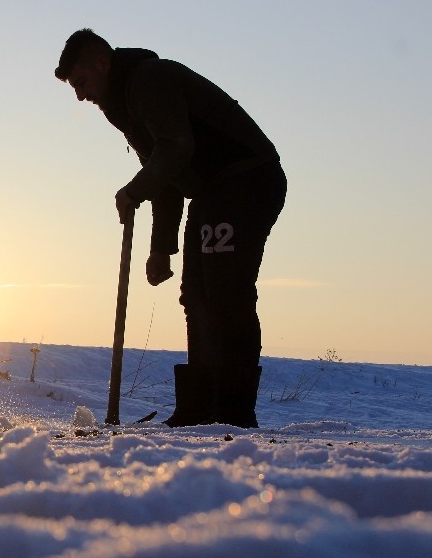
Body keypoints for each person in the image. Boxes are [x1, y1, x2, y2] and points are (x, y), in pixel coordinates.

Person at [55, 29, 286, 428]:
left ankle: (232, 413)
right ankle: (198, 411)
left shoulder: (150, 80)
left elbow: (177, 149)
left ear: (102, 63)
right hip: (211, 191)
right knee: (195, 293)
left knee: (225, 291)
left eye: (81, 83)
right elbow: (165, 172)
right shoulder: (121, 103)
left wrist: (134, 191)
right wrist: (160, 247)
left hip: (246, 178)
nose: (80, 95)